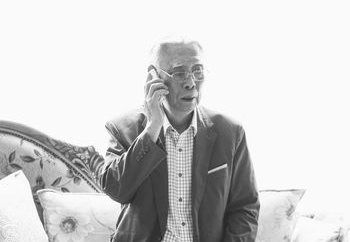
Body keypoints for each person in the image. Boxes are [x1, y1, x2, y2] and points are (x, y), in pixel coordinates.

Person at [100, 38, 260, 242]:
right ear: (154, 76)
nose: (191, 82)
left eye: (198, 70)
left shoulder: (231, 132)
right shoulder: (123, 129)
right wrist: (152, 128)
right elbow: (116, 190)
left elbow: (245, 208)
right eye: (179, 72)